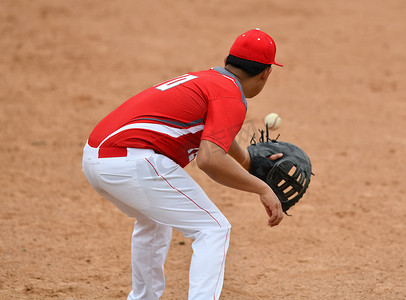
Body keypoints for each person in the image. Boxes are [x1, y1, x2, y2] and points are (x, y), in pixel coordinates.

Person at [82, 28, 284, 300]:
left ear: (229, 60)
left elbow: (217, 136)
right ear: (266, 73)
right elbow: (210, 159)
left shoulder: (209, 80)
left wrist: (248, 162)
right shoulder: (231, 97)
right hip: (133, 162)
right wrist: (262, 188)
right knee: (213, 228)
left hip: (97, 158)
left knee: (154, 220)